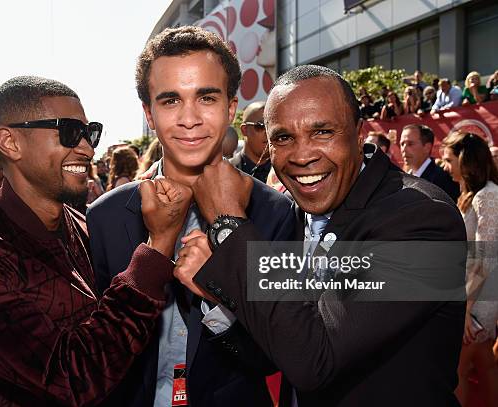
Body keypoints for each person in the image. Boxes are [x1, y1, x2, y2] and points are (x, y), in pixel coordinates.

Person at [172, 65, 467, 406]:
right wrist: (220, 299)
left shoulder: (422, 219)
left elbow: (314, 359)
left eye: (322, 132)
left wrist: (229, 224)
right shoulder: (291, 215)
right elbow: (279, 347)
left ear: (358, 135)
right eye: (283, 138)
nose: (302, 155)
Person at [0, 75, 193, 405]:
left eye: (90, 133)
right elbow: (72, 377)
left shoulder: (85, 225)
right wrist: (158, 247)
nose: (87, 148)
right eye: (70, 132)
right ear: (10, 142)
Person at [87, 26, 295, 407]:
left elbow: (279, 356)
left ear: (231, 107)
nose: (189, 118)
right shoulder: (105, 217)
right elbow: (94, 357)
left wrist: (218, 295)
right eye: (170, 101)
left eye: (206, 97)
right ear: (149, 113)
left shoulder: (274, 212)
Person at [441, 132, 498, 407]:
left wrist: (464, 308)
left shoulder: (488, 195)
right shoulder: (473, 195)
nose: (444, 166)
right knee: (484, 366)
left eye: (448, 160)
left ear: (465, 161)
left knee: (457, 374)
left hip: (477, 300)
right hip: (474, 296)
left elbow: (484, 258)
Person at [400, 124, 460, 202]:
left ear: (427, 147)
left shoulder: (442, 178)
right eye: (402, 144)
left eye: (410, 144)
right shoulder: (403, 179)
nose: (403, 149)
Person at [230, 101, 272, 183]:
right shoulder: (227, 170)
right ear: (244, 130)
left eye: (271, 126)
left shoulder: (285, 172)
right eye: (260, 126)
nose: (268, 132)